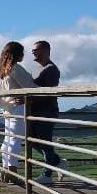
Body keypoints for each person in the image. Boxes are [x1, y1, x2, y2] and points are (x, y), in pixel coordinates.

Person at [28, 40, 68, 184]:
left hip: (46, 112)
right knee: (32, 140)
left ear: (46, 50)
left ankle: (47, 174)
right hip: (34, 112)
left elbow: (49, 93)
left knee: (44, 143)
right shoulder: (36, 69)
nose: (33, 52)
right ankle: (58, 162)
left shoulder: (51, 69)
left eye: (36, 49)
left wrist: (30, 99)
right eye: (33, 50)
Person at [0, 41, 36, 184]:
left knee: (7, 139)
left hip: (7, 108)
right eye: (22, 52)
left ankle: (5, 170)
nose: (24, 54)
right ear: (17, 54)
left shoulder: (4, 70)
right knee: (15, 139)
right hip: (17, 107)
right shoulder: (15, 68)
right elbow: (30, 87)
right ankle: (12, 172)